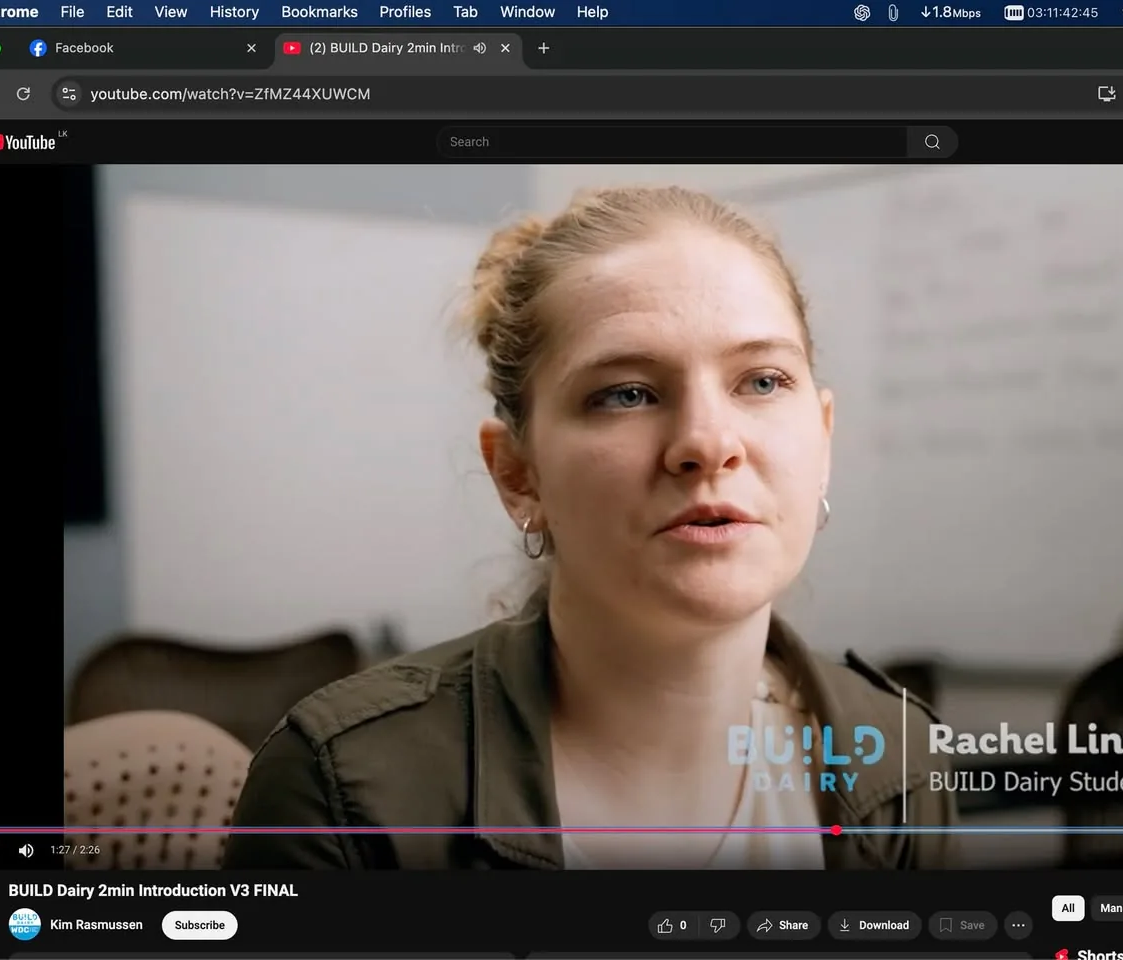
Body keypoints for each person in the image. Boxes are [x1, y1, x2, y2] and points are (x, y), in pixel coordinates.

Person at [223, 185, 956, 870]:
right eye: (626, 393)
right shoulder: (342, 794)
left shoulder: (898, 759)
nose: (707, 441)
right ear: (518, 474)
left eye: (762, 381)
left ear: (822, 439)